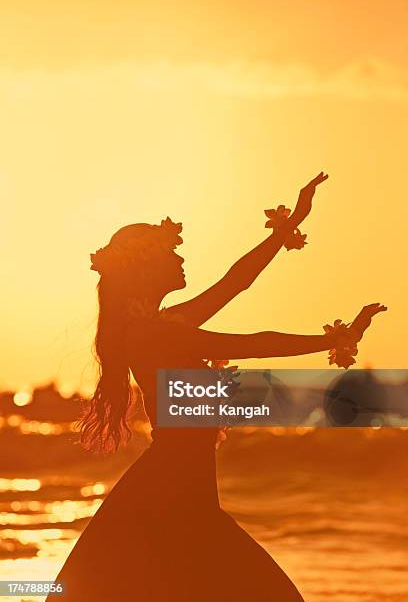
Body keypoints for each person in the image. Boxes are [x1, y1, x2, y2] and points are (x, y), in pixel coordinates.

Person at [47, 173, 386, 601]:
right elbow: (254, 345)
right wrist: (333, 339)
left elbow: (236, 281)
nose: (181, 259)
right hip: (172, 498)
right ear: (146, 268)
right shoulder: (154, 334)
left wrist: (291, 223)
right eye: (172, 253)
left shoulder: (161, 324)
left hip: (181, 494)